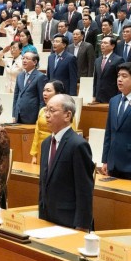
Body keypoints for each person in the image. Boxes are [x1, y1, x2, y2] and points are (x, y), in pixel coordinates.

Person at [37, 94, 94, 230]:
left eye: (52, 110)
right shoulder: (46, 143)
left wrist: (82, 225)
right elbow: (44, 183)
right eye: (46, 110)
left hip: (69, 220)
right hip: (47, 217)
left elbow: (84, 189)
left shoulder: (78, 145)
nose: (47, 115)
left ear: (67, 115)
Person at [11, 51, 47, 125]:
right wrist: (14, 114)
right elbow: (16, 96)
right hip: (18, 114)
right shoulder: (19, 76)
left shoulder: (40, 77)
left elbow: (42, 100)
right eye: (23, 58)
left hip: (32, 116)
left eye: (27, 58)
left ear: (35, 62)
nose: (24, 61)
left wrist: (40, 117)